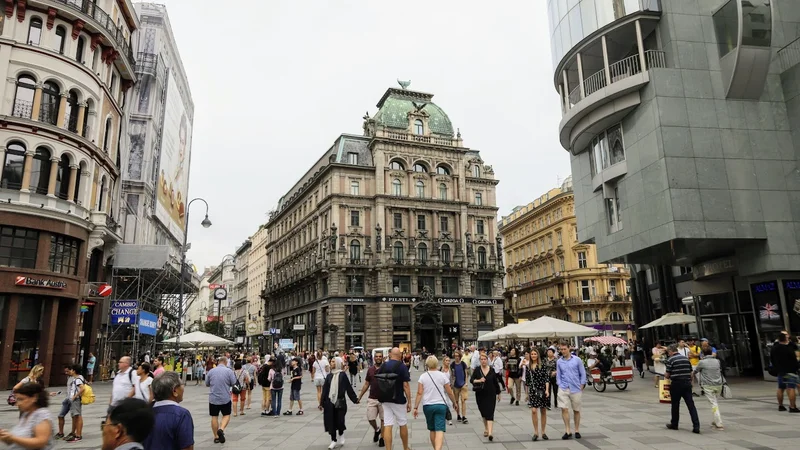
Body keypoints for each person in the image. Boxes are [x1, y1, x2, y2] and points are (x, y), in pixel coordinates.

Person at [413, 356, 458, 450]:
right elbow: (449, 391)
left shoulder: (423, 376)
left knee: (432, 429)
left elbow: (419, 393)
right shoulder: (442, 375)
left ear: (427, 365)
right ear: (437, 364)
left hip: (428, 406)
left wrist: (415, 407)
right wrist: (454, 402)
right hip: (441, 405)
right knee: (440, 429)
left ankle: (436, 448)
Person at [143, 371, 194, 450]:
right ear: (174, 391)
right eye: (182, 385)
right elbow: (187, 447)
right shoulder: (181, 415)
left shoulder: (144, 413)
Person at [0, 382, 53, 450]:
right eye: (17, 399)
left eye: (21, 399)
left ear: (34, 397)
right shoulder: (26, 414)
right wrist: (6, 437)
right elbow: (17, 441)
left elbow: (41, 442)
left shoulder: (42, 414)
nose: (17, 404)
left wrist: (13, 438)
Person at [321, 357, 359, 449]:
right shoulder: (329, 376)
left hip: (340, 401)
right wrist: (321, 403)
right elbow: (325, 390)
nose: (331, 363)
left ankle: (341, 433)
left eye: (333, 361)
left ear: (337, 363)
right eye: (331, 361)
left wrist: (355, 399)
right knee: (331, 421)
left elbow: (348, 388)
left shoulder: (342, 375)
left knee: (340, 420)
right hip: (330, 402)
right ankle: (333, 440)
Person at [380, 347, 412, 450]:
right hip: (398, 399)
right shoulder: (402, 366)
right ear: (399, 355)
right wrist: (409, 401)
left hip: (385, 398)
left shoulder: (383, 365)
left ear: (390, 355)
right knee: (402, 423)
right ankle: (405, 448)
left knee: (388, 424)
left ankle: (388, 449)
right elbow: (405, 385)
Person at [664, 344, 701, 433]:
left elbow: (667, 375)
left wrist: (667, 376)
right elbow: (691, 373)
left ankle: (674, 424)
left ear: (670, 351)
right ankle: (696, 426)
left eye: (668, 353)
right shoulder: (685, 359)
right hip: (687, 384)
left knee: (675, 405)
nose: (668, 354)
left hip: (676, 384)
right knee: (691, 405)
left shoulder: (670, 360)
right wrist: (690, 382)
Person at [556, 343, 586, 440]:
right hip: (563, 387)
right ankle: (567, 430)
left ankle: (576, 430)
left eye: (564, 349)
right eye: (561, 349)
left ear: (569, 349)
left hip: (575, 387)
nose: (563, 351)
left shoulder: (577, 360)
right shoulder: (559, 361)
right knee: (564, 408)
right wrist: (559, 383)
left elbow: (582, 373)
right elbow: (558, 374)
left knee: (576, 410)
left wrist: (582, 384)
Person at [470, 353, 503, 441]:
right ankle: (486, 428)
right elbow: (471, 380)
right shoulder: (477, 370)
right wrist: (479, 380)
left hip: (491, 394)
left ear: (487, 360)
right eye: (482, 359)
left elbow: (495, 383)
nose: (483, 361)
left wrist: (499, 393)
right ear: (480, 360)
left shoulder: (492, 370)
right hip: (480, 394)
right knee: (483, 413)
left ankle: (490, 433)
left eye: (485, 359)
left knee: (490, 413)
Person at [205, 356, 237, 443]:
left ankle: (216, 436)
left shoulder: (211, 371)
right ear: (226, 362)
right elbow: (234, 383)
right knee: (226, 415)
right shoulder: (229, 371)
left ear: (218, 362)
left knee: (214, 416)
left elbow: (207, 383)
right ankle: (221, 429)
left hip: (213, 398)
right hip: (225, 397)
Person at [357, 349, 385, 447]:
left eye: (380, 356)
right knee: (370, 418)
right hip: (372, 398)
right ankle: (377, 430)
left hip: (384, 399)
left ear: (383, 358)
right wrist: (360, 396)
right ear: (374, 358)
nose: (378, 358)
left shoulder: (386, 368)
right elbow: (366, 384)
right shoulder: (370, 370)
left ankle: (382, 438)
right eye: (376, 356)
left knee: (383, 419)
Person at [694, 347, 725, 430]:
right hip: (718, 384)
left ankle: (719, 423)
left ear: (703, 354)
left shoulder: (702, 362)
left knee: (713, 403)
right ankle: (716, 420)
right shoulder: (717, 361)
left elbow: (696, 371)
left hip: (708, 385)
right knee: (715, 402)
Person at [525, 349, 550, 441]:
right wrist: (527, 394)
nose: (533, 355)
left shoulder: (542, 365)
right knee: (534, 410)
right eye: (532, 354)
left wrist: (547, 390)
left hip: (542, 389)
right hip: (533, 390)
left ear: (538, 355)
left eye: (535, 354)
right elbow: (527, 382)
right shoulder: (528, 367)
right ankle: (536, 432)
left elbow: (546, 378)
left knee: (543, 410)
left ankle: (543, 432)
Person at [771, 332, 799, 412]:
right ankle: (792, 406)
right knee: (791, 388)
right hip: (790, 371)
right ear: (786, 339)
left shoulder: (774, 348)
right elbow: (794, 359)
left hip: (780, 371)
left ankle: (780, 405)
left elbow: (772, 360)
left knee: (781, 388)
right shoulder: (788, 348)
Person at [449, 351, 470, 424]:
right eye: (455, 356)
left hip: (463, 384)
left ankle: (464, 416)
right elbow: (451, 374)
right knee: (456, 401)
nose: (456, 357)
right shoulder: (452, 365)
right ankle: (458, 414)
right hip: (455, 385)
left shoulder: (463, 364)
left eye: (457, 356)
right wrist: (451, 384)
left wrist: (466, 382)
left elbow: (465, 373)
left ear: (460, 356)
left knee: (463, 400)